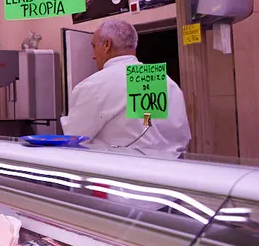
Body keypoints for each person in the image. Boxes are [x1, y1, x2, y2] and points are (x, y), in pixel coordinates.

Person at [61, 19, 191, 152]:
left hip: (120, 170)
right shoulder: (165, 81)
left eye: (94, 46)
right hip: (171, 168)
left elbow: (73, 140)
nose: (93, 56)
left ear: (107, 45)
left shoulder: (93, 87)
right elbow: (182, 137)